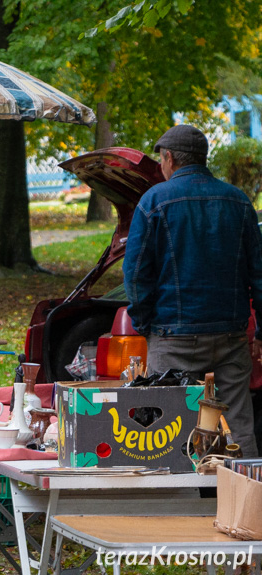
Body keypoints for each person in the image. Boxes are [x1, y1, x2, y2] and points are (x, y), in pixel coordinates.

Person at [123, 124, 262, 458]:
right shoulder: (239, 201)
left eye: (161, 160)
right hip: (230, 335)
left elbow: (136, 273)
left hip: (172, 337)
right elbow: (259, 274)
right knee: (238, 424)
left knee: (166, 429)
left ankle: (179, 506)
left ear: (170, 158)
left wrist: (145, 324)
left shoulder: (153, 201)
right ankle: (248, 504)